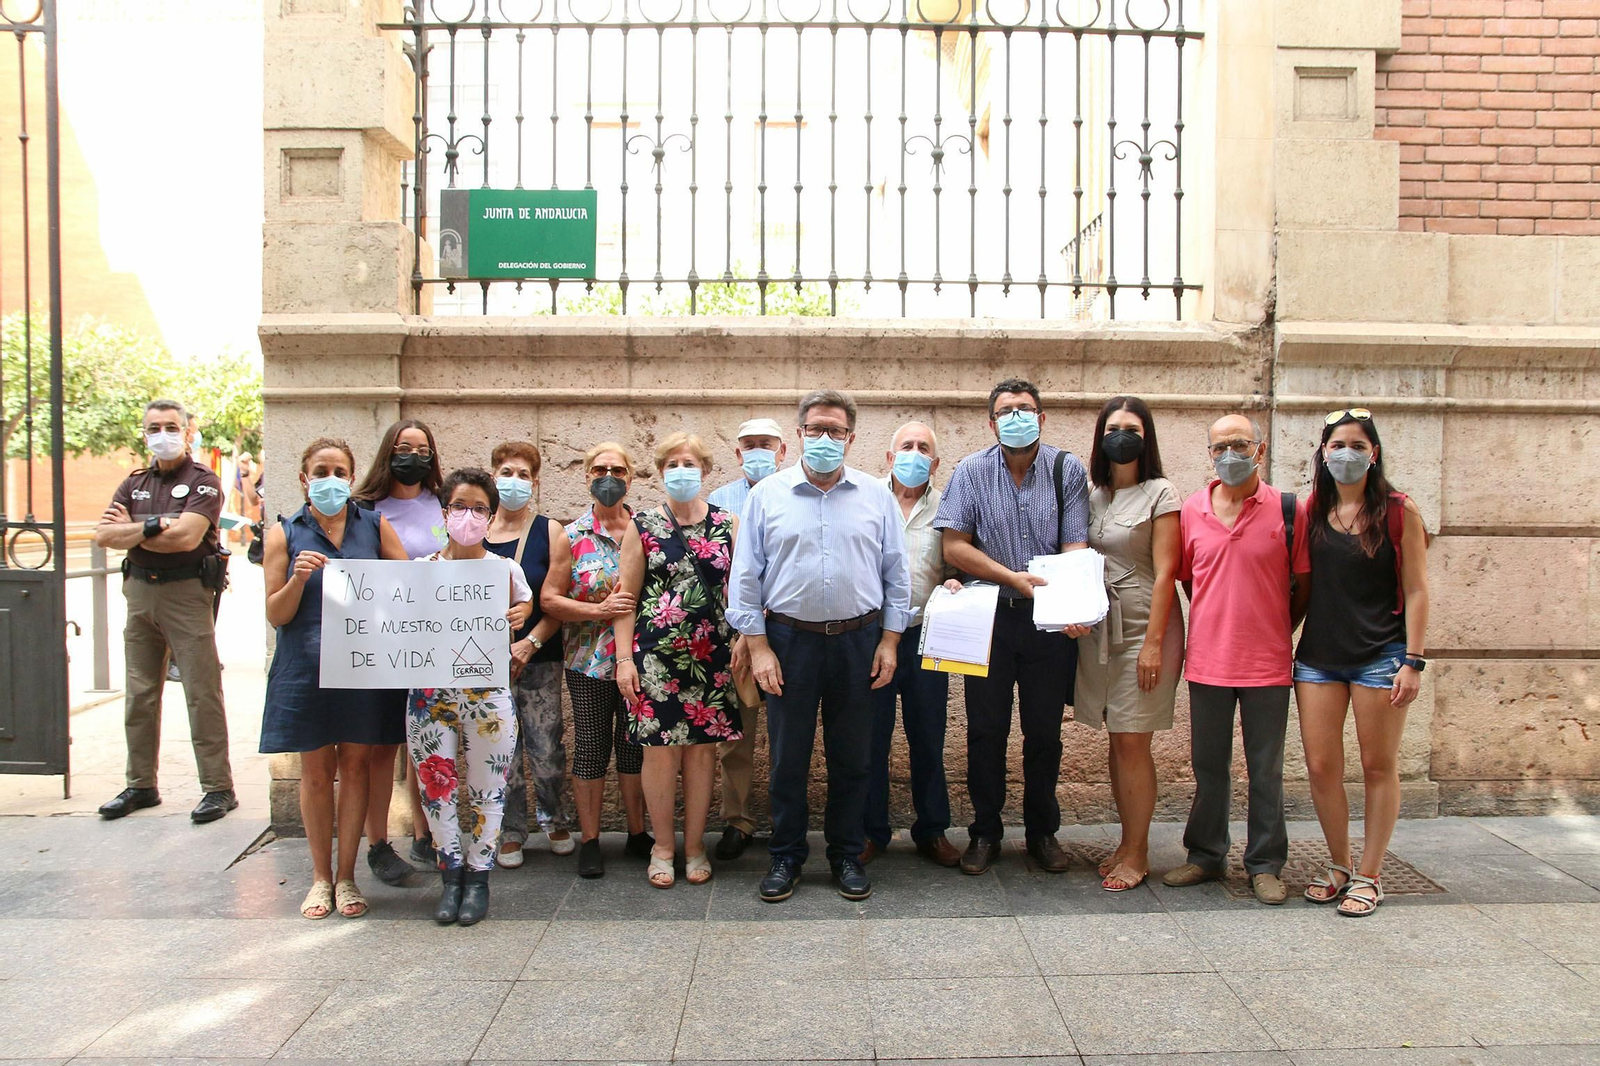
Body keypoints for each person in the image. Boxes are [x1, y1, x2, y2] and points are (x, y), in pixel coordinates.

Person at [728, 389, 911, 903]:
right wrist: (759, 648)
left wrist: (891, 641)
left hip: (860, 641)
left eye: (835, 430)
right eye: (815, 430)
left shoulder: (877, 495)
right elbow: (745, 580)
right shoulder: (768, 495)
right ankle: (786, 855)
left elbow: (898, 574)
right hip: (789, 643)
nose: (825, 439)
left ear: (851, 438)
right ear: (800, 435)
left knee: (853, 757)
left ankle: (846, 854)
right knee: (788, 757)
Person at [934, 378, 1090, 875]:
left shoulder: (1067, 469)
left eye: (1026, 409)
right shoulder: (971, 472)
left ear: (1042, 418)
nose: (1016, 417)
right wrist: (1011, 578)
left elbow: (1075, 547)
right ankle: (985, 832)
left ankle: (1043, 833)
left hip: (1048, 622)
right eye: (1006, 411)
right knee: (985, 730)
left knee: (1044, 732)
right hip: (990, 618)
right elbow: (954, 547)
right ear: (992, 422)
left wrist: (1072, 604)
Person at [1162, 414, 1310, 906]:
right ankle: (1205, 855)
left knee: (1264, 769)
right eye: (1220, 447)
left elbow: (1304, 586)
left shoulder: (1290, 510)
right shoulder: (1191, 510)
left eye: (1240, 444)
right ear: (1209, 455)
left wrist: (1273, 627)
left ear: (1260, 451)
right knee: (1209, 766)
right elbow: (1188, 581)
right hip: (1208, 661)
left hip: (1267, 663)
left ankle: (1266, 864)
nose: (1230, 454)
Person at [261, 438, 410, 919]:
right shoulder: (283, 534)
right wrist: (297, 580)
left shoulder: (374, 524)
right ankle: (319, 879)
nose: (330, 479)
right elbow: (276, 614)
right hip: (305, 670)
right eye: (320, 471)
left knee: (359, 767)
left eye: (339, 471)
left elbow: (410, 586)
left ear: (351, 478)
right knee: (318, 773)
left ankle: (348, 877)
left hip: (364, 668)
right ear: (304, 479)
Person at [1295, 409, 1430, 918]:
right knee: (1321, 767)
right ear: (1322, 453)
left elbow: (1417, 589)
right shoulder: (1313, 507)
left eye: (1356, 444)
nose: (1345, 453)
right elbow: (1303, 584)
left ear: (1373, 453)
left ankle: (1370, 875)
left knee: (1378, 766)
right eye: (1336, 445)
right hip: (1318, 660)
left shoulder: (1399, 511)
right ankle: (1338, 863)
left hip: (1381, 656)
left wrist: (1412, 660)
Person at [93, 399, 236, 824]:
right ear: (144, 433)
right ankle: (140, 784)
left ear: (188, 432)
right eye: (154, 427)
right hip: (139, 592)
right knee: (139, 693)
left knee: (200, 690)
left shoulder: (203, 481)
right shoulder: (133, 483)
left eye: (172, 426)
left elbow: (187, 538)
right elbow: (103, 534)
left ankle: (218, 787)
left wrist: (133, 531)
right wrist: (155, 526)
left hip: (186, 593)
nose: (163, 434)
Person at [614, 433, 744, 887]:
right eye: (672, 463)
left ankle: (694, 845)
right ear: (661, 471)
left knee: (703, 753)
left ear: (705, 470)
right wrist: (624, 661)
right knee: (660, 755)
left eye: (689, 462)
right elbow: (625, 599)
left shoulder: (730, 523)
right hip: (655, 660)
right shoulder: (643, 524)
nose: (681, 470)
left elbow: (742, 590)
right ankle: (663, 845)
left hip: (712, 658)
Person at [408, 467, 532, 925]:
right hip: (428, 696)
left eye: (480, 508)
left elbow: (525, 605)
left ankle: (478, 878)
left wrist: (521, 613)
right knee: (435, 790)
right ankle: (450, 876)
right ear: (444, 511)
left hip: (487, 694)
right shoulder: (420, 571)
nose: (469, 515)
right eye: (460, 506)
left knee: (489, 790)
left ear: (491, 515)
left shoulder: (505, 569)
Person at [1073, 397, 1184, 893]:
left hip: (1145, 626)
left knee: (1135, 739)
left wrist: (1154, 645)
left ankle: (1138, 852)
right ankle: (1125, 840)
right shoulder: (1093, 496)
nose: (1122, 435)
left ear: (1147, 436)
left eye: (1132, 427)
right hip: (1101, 628)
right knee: (1117, 739)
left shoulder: (1162, 493)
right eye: (1113, 427)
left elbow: (1167, 575)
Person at [540, 441, 651, 878]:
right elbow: (550, 598)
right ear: (586, 475)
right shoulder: (572, 534)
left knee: (633, 747)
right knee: (590, 747)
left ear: (631, 478)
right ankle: (590, 839)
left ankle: (637, 832)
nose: (610, 477)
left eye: (618, 470)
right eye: (601, 468)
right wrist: (596, 611)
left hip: (640, 661)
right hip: (587, 660)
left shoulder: (646, 528)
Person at [862, 421, 962, 868]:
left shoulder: (949, 509)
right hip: (871, 638)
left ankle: (932, 829)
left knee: (928, 736)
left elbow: (959, 560)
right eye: (906, 445)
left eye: (924, 448)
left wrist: (959, 580)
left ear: (936, 463)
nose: (915, 453)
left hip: (927, 636)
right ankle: (871, 831)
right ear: (889, 456)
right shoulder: (865, 501)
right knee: (870, 740)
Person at [353, 418, 448, 885]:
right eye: (403, 447)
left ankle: (426, 834)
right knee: (379, 745)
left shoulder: (445, 505)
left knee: (424, 743)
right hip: (382, 643)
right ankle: (376, 843)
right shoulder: (363, 510)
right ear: (388, 452)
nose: (413, 455)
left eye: (422, 448)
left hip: (433, 642)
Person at [483, 440, 576, 866]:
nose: (514, 481)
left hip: (538, 656)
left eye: (523, 474)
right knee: (501, 751)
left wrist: (531, 641)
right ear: (493, 476)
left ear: (535, 481)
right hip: (481, 661)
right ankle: (511, 830)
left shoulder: (549, 531)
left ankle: (555, 818)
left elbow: (558, 600)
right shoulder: (472, 530)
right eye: (506, 472)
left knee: (547, 746)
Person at [707, 417, 787, 860]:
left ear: (782, 450)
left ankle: (784, 819)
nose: (758, 451)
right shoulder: (719, 501)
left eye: (766, 444)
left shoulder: (795, 493)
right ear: (737, 453)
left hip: (788, 633)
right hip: (732, 638)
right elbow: (726, 574)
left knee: (786, 736)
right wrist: (742, 630)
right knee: (735, 733)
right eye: (749, 445)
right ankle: (737, 820)